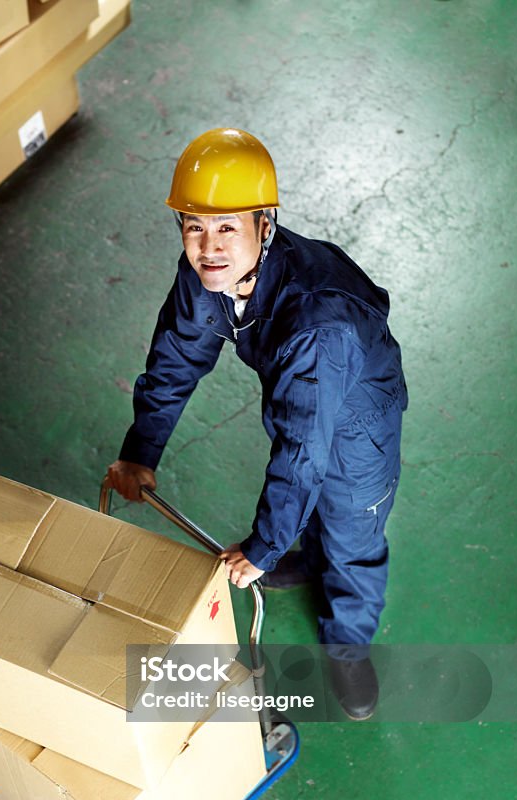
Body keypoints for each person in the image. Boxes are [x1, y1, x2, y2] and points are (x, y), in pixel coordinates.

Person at [106, 128, 407, 721]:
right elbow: (174, 358)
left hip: (357, 427)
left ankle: (348, 644)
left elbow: (304, 449)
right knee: (307, 493)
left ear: (264, 226)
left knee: (351, 534)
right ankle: (307, 554)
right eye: (194, 226)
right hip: (301, 398)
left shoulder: (318, 323)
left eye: (226, 227)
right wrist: (142, 449)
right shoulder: (211, 273)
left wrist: (264, 548)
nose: (208, 246)